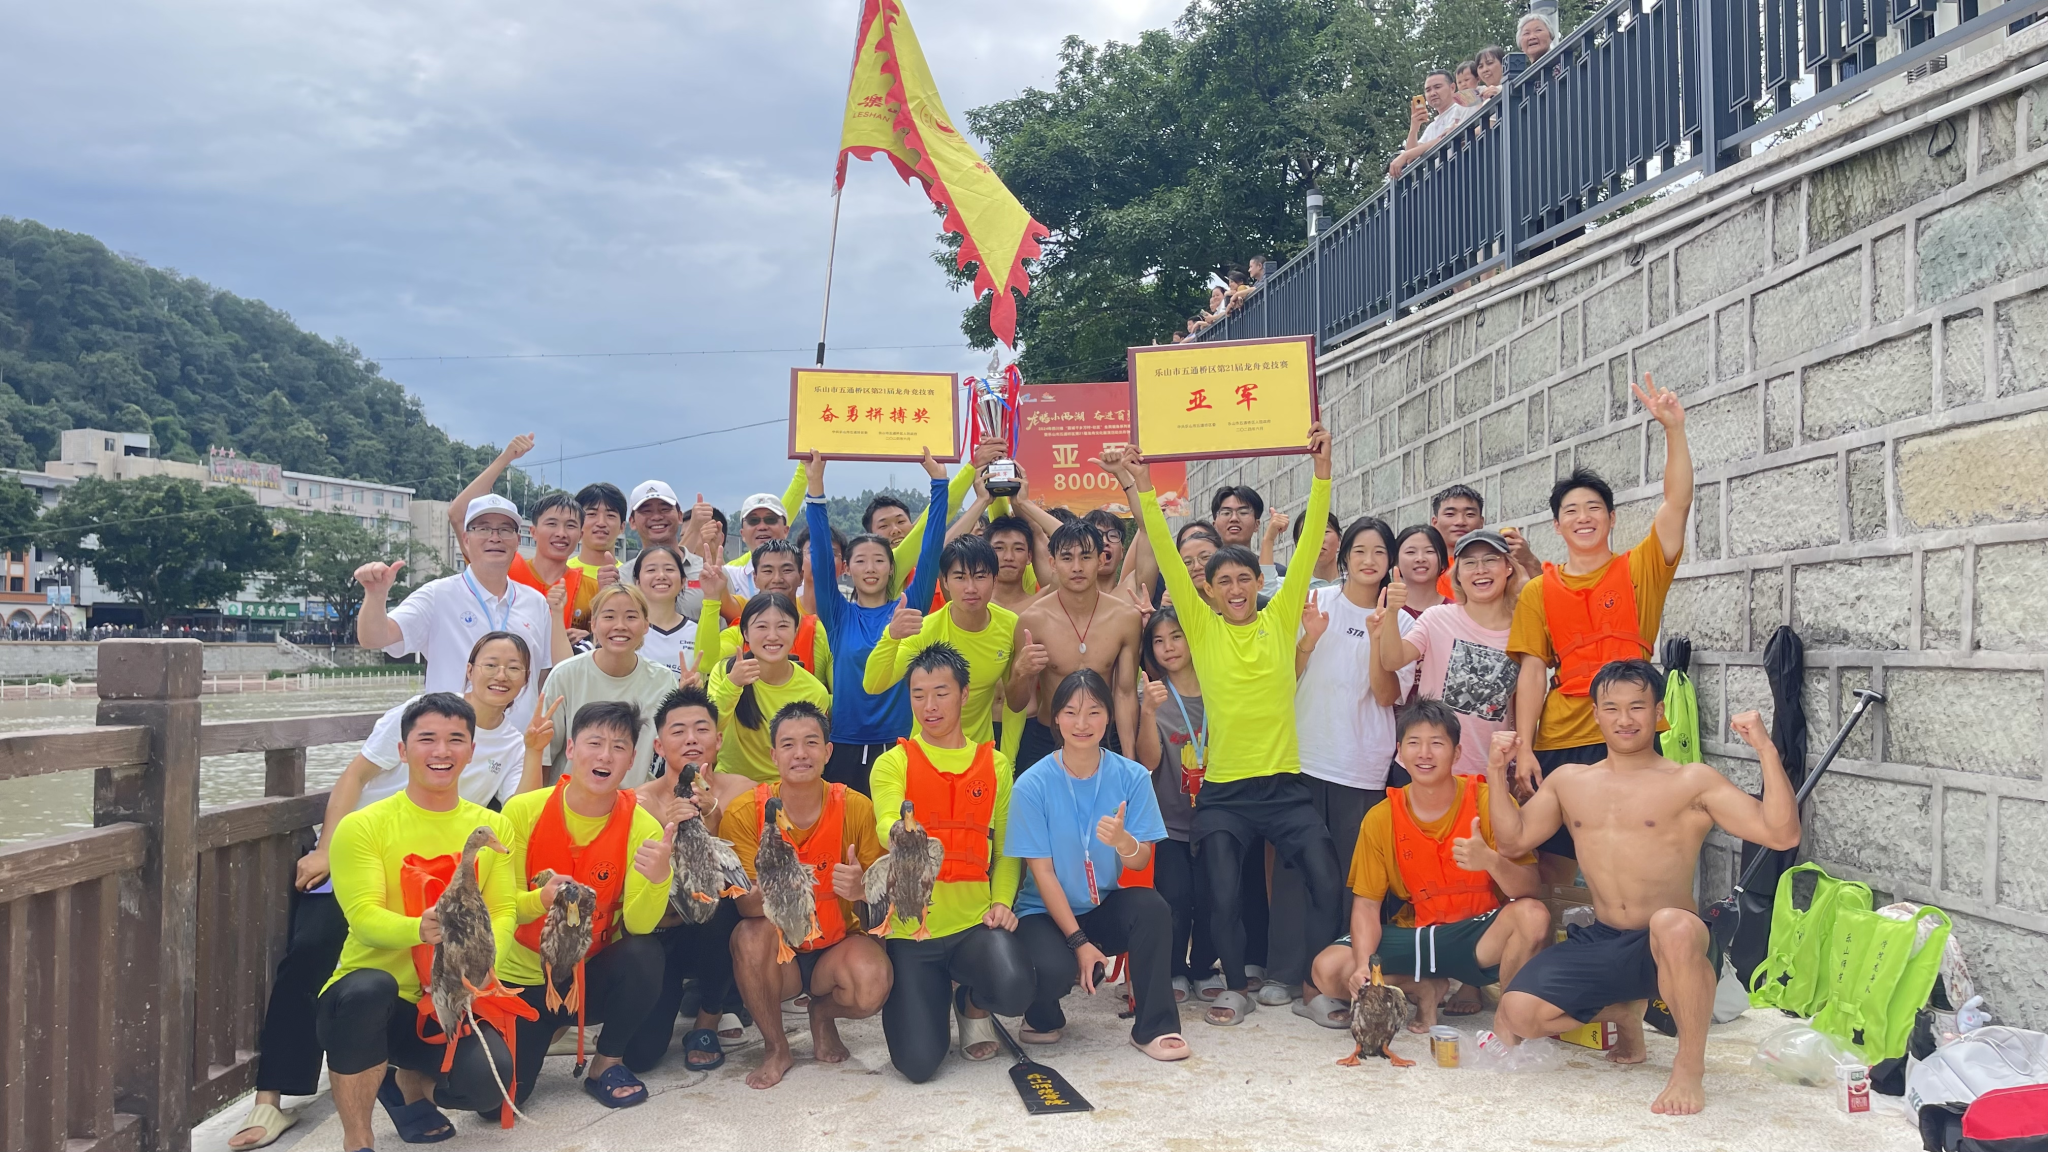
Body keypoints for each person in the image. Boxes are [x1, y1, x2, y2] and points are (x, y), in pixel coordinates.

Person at [229, 635, 548, 1150]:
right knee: (328, 962)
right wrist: (327, 849)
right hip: (370, 859)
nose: (501, 674)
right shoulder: (415, 717)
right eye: (491, 663)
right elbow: (356, 776)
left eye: (515, 667)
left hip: (446, 901)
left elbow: (516, 834)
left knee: (485, 1079)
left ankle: (406, 1083)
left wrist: (485, 956)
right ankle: (289, 1104)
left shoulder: (510, 749)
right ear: (469, 668)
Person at [1107, 424, 1341, 1029]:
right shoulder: (1203, 628)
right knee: (1222, 892)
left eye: (1244, 580)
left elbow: (1310, 542)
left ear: (1259, 584)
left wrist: (1322, 473)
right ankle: (1236, 986)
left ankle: (1317, 984)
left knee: (1325, 880)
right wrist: (1143, 485)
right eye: (1223, 582)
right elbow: (1167, 553)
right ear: (1207, 592)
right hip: (1225, 793)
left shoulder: (1279, 618)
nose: (1236, 590)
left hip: (1285, 787)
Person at [1488, 666, 1799, 1115]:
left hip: (1672, 944)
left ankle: (1688, 1067)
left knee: (1672, 925)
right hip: (1604, 937)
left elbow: (1782, 834)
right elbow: (1513, 841)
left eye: (1637, 707)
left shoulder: (1691, 780)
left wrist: (1766, 750)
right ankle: (1624, 1013)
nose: (1625, 719)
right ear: (1595, 714)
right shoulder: (1570, 781)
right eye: (1612, 708)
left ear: (1658, 712)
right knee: (1517, 1015)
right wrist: (1496, 771)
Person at [316, 694, 521, 1151]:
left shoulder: (493, 827)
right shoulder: (363, 825)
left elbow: (504, 910)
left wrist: (485, 966)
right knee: (368, 992)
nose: (441, 751)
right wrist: (419, 929)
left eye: (456, 740)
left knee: (490, 1083)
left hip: (448, 995)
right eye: (427, 739)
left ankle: (408, 1081)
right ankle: (358, 1137)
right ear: (402, 750)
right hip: (373, 997)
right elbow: (364, 917)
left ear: (472, 750)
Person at [1509, 379, 1691, 881]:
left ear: (1611, 518)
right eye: (1570, 511)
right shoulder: (1537, 591)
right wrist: (1524, 747)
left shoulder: (1640, 570)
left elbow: (1676, 505)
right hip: (1561, 738)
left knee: (1636, 854)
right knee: (1555, 862)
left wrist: (1674, 431)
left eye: (1593, 508)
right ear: (1557, 526)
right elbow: (1531, 673)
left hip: (1631, 730)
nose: (1582, 517)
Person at [1306, 699, 1549, 1032]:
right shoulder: (1381, 817)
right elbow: (1367, 905)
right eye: (1414, 743)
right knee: (1328, 969)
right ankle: (1423, 988)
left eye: (1436, 743)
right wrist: (1364, 966)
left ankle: (1508, 1024)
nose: (1424, 754)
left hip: (1479, 937)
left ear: (1457, 752)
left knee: (1533, 916)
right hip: (1417, 934)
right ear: (1399, 751)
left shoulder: (1488, 800)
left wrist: (1491, 861)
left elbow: (1531, 888)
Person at [871, 644, 1034, 1084]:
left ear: (964, 694)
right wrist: (898, 831)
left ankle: (970, 1002)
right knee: (918, 1065)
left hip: (973, 926)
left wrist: (1001, 902)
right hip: (913, 933)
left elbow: (1006, 851)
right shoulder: (893, 763)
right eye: (918, 694)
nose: (929, 705)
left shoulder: (995, 765)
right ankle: (931, 997)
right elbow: (885, 818)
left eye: (941, 693)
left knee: (1015, 988)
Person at [1268, 517, 1414, 1005]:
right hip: (1305, 756)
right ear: (1344, 555)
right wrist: (1308, 639)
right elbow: (1283, 677)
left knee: (1356, 880)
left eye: (1379, 552)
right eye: (1360, 550)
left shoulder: (1403, 621)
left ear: (1390, 562)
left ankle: (1341, 978)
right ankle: (1285, 973)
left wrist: (1378, 634)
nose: (1369, 560)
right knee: (1296, 870)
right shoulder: (1316, 601)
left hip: (1361, 764)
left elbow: (1386, 694)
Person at [500, 700, 673, 1109]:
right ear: (571, 749)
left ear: (632, 759)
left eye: (619, 747)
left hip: (590, 975)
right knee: (497, 1104)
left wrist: (659, 877)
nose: (605, 756)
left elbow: (639, 925)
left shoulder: (643, 826)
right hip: (526, 976)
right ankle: (544, 1030)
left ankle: (606, 1063)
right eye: (594, 743)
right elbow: (503, 907)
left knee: (645, 953)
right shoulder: (522, 811)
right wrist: (541, 898)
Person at [1007, 670, 1184, 1060]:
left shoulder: (1132, 777)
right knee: (1052, 969)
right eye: (1071, 712)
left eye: (1094, 712)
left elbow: (1141, 857)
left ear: (1109, 717)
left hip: (1100, 904)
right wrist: (1078, 943)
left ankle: (1155, 1027)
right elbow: (1042, 874)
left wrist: (1124, 842)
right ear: (1056, 718)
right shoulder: (1032, 784)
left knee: (1153, 909)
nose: (1082, 723)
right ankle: (1041, 1013)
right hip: (1044, 913)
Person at [721, 701, 891, 1089]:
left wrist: (862, 889)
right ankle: (776, 1047)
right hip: (780, 955)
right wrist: (786, 883)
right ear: (773, 756)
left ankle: (822, 1015)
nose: (800, 753)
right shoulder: (745, 813)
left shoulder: (855, 807)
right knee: (748, 937)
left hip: (836, 946)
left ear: (828, 752)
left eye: (811, 742)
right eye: (788, 744)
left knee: (872, 983)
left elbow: (884, 903)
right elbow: (745, 905)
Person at [623, 686, 751, 1075]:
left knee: (722, 899)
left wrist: (712, 819)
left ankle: (709, 1016)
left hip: (717, 932)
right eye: (678, 731)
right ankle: (679, 996)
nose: (691, 739)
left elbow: (752, 874)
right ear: (659, 746)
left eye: (701, 729)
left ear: (719, 739)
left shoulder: (743, 792)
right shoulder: (636, 802)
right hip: (659, 933)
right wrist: (668, 832)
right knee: (641, 1056)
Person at [804, 450, 948, 792]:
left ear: (891, 568)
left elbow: (930, 551)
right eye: (861, 561)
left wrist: (940, 484)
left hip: (899, 746)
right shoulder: (837, 615)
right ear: (847, 568)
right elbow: (821, 555)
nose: (870, 569)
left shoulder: (908, 608)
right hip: (844, 744)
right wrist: (815, 485)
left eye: (879, 561)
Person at [355, 494, 562, 726]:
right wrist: (375, 596)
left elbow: (543, 674)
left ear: (517, 540)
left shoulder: (536, 602)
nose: (495, 537)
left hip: (517, 741)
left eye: (505, 530)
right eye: (483, 528)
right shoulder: (437, 595)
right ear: (466, 539)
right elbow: (374, 638)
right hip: (453, 739)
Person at [1378, 529, 1523, 779]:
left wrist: (1520, 758)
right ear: (1458, 574)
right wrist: (1392, 612)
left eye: (1490, 560)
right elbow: (1392, 660)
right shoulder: (1437, 617)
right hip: (1421, 768)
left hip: (1487, 772)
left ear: (1508, 567)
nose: (1480, 570)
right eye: (1469, 563)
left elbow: (1522, 704)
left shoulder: (1522, 629)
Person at [1006, 515, 1142, 773]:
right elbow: (1016, 703)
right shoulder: (1033, 621)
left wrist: (1129, 760)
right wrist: (1020, 672)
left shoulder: (1125, 618)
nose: (1077, 567)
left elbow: (1125, 694)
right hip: (1049, 736)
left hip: (1105, 735)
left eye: (1086, 557)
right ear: (1053, 563)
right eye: (1067, 558)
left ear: (1100, 560)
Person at [1132, 608, 1217, 1004]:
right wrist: (1148, 712)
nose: (1168, 647)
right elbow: (1148, 761)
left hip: (1215, 816)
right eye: (1158, 641)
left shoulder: (1219, 687)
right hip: (1169, 820)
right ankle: (1174, 968)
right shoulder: (1152, 695)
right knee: (1176, 897)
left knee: (1214, 896)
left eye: (1176, 636)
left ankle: (1203, 967)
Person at [865, 535, 1017, 748]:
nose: (970, 588)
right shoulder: (925, 631)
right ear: (945, 581)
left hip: (979, 754)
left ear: (995, 579)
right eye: (960, 577)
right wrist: (891, 637)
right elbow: (873, 685)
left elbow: (1014, 703)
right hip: (927, 753)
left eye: (980, 576)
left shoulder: (1010, 625)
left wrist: (1008, 758)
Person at [541, 584, 683, 788]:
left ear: (646, 625)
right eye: (609, 616)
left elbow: (673, 753)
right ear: (593, 624)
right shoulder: (565, 675)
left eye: (631, 617)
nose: (620, 626)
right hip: (569, 797)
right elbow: (544, 754)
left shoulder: (663, 681)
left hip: (634, 800)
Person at [705, 592, 832, 784]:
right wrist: (733, 685)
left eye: (782, 626)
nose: (772, 636)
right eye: (762, 627)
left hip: (786, 787)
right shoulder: (725, 672)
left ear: (796, 631)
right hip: (731, 783)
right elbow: (710, 729)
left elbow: (808, 754)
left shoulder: (814, 691)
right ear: (745, 633)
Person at [695, 539, 834, 685]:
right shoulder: (740, 632)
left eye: (787, 570)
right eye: (768, 571)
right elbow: (706, 663)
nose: (777, 579)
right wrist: (711, 598)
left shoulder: (816, 630)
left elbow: (838, 691)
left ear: (801, 576)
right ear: (755, 578)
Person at [1429, 484, 1542, 598]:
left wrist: (1529, 560)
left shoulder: (1504, 565)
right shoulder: (1426, 566)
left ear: (1481, 522)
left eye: (1470, 514)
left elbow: (1545, 597)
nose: (1460, 522)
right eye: (1450, 514)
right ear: (1435, 522)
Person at [628, 479, 706, 624]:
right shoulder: (621, 576)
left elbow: (734, 622)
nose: (657, 517)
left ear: (680, 516)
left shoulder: (709, 569)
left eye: (665, 509)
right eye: (646, 511)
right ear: (632, 522)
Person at [1390, 70, 1477, 178]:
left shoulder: (1462, 108)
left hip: (1463, 174)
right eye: (1428, 90)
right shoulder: (1431, 127)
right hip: (1439, 181)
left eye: (1437, 87)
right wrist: (1414, 127)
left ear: (1452, 88)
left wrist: (1406, 155)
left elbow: (1447, 138)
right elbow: (1411, 159)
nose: (1432, 93)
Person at [569, 482, 630, 633]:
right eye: (591, 514)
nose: (601, 523)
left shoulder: (630, 576)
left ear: (622, 527)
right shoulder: (562, 572)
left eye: (610, 515)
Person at [632, 545, 698, 672]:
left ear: (683, 581)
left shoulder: (698, 630)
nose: (661, 576)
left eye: (669, 569)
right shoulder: (628, 629)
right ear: (637, 582)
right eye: (651, 570)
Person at [1393, 524, 1449, 621]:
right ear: (1396, 562)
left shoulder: (1456, 612)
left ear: (1443, 561)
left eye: (1430, 551)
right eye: (1410, 552)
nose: (1420, 559)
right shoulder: (1383, 607)